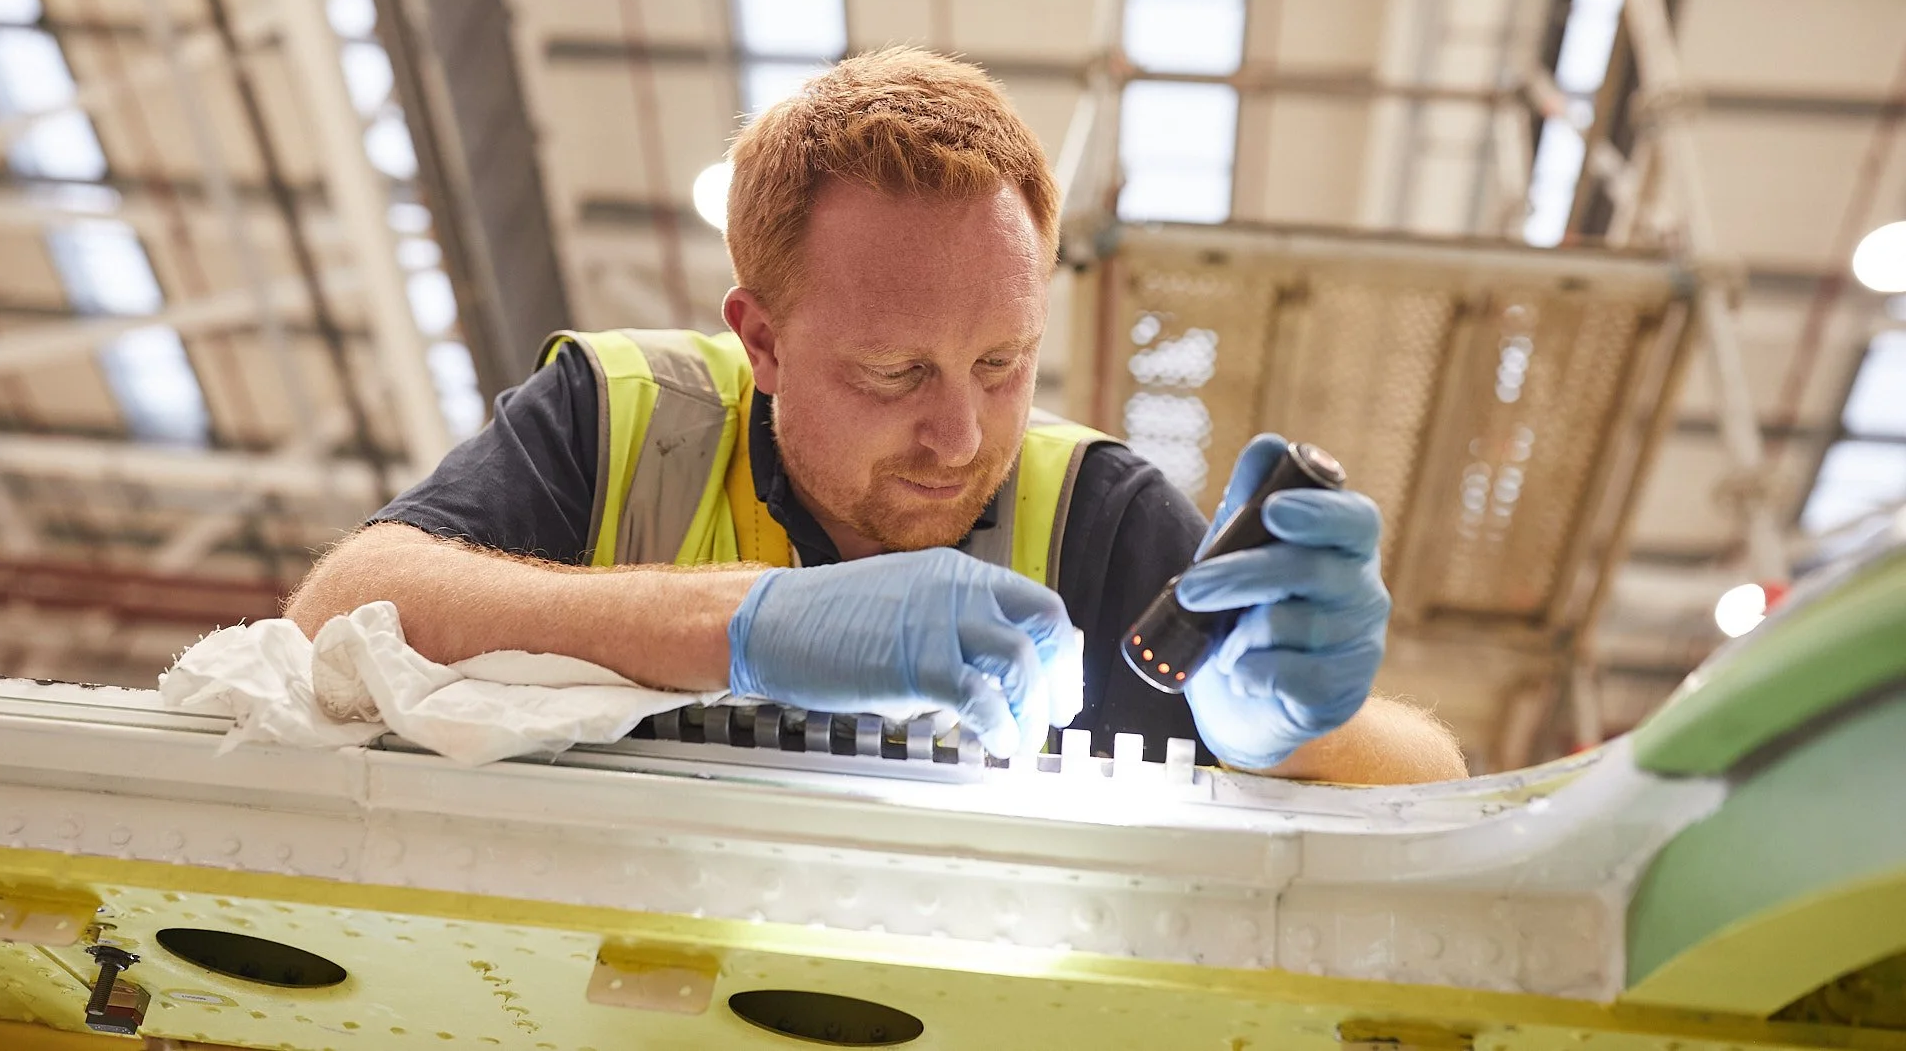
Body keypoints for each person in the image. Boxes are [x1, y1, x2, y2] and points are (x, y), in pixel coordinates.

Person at [287, 48, 1465, 783]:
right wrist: (747, 622)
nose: (961, 437)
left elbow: (1432, 781)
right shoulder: (619, 421)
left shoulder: (1096, 518)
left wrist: (1289, 728)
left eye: (1002, 361)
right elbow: (336, 610)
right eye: (895, 373)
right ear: (759, 341)